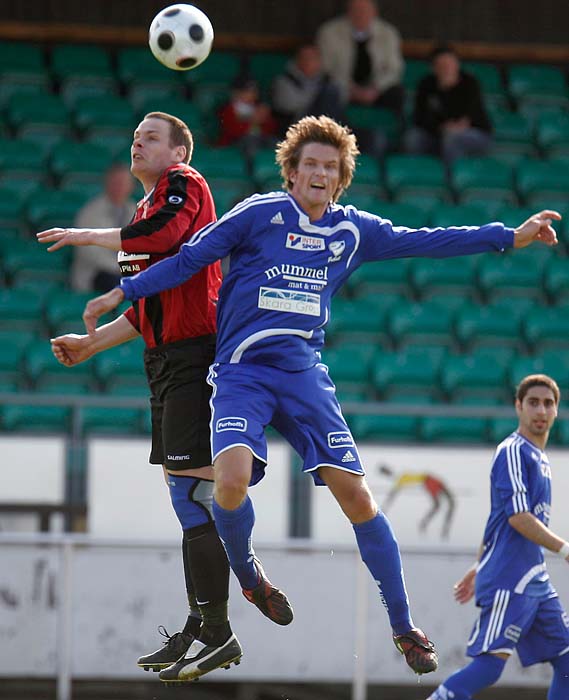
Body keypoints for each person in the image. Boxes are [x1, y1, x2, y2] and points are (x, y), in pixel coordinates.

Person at [77, 115, 558, 676]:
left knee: (356, 497)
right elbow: (189, 259)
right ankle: (249, 577)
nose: (320, 174)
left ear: (341, 175)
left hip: (303, 375)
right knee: (228, 482)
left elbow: (428, 242)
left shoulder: (352, 230)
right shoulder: (258, 214)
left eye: (330, 167)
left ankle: (404, 627)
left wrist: (510, 235)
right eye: (310, 164)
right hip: (241, 372)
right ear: (292, 171)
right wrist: (124, 290)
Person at [36, 111, 262, 684]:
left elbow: (164, 239)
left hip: (196, 353)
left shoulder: (185, 184)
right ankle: (203, 623)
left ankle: (217, 631)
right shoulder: (140, 211)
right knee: (184, 494)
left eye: (151, 136)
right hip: (164, 360)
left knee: (194, 493)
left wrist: (85, 235)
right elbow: (147, 307)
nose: (138, 140)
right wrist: (92, 347)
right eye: (134, 134)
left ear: (179, 149)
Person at [426, 374, 569, 700]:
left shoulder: (539, 458)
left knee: (567, 660)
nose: (541, 410)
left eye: (548, 403)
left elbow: (498, 522)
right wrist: (564, 549)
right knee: (490, 666)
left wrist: (478, 566)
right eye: (533, 402)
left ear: (557, 410)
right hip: (512, 578)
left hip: (533, 577)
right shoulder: (513, 451)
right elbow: (518, 518)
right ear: (518, 406)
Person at [404, 44, 493, 164]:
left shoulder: (470, 83)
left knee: (452, 138)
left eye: (450, 64)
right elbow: (419, 117)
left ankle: (450, 177)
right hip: (437, 132)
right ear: (434, 68)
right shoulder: (426, 84)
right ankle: (415, 173)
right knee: (412, 138)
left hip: (474, 132)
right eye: (442, 65)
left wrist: (454, 126)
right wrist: (440, 127)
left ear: (457, 64)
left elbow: (470, 116)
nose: (447, 69)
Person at [316, 0, 404, 115]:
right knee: (328, 91)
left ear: (374, 12)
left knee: (398, 93)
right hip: (342, 88)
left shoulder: (388, 33)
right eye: (356, 10)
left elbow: (394, 69)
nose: (360, 14)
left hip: (376, 91)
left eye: (365, 10)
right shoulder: (329, 32)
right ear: (348, 12)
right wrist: (351, 89)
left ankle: (390, 130)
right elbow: (326, 69)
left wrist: (375, 89)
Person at [71, 162, 136, 293]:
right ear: (107, 183)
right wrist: (121, 267)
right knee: (120, 285)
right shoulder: (90, 212)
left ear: (131, 186)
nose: (119, 187)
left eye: (124, 183)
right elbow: (90, 251)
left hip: (128, 271)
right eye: (116, 182)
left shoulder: (136, 210)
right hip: (96, 273)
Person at [272, 43, 344, 134]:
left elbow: (340, 102)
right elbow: (291, 106)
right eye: (305, 57)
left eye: (313, 58)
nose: (308, 61)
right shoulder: (284, 81)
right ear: (297, 60)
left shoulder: (328, 80)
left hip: (330, 127)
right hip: (298, 129)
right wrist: (319, 96)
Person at [379, 464, 455, 539]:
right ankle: (431, 526)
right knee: (442, 504)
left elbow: (392, 494)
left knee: (443, 504)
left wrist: (384, 508)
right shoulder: (400, 479)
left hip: (429, 479)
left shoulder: (401, 477)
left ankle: (428, 525)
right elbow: (392, 494)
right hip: (428, 480)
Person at [217, 76, 278, 157]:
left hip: (259, 139)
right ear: (237, 92)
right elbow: (231, 131)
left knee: (276, 143)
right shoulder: (229, 109)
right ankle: (250, 168)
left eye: (254, 91)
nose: (252, 94)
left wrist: (265, 119)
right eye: (247, 91)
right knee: (250, 144)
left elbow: (271, 129)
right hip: (236, 142)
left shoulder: (258, 107)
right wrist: (252, 121)